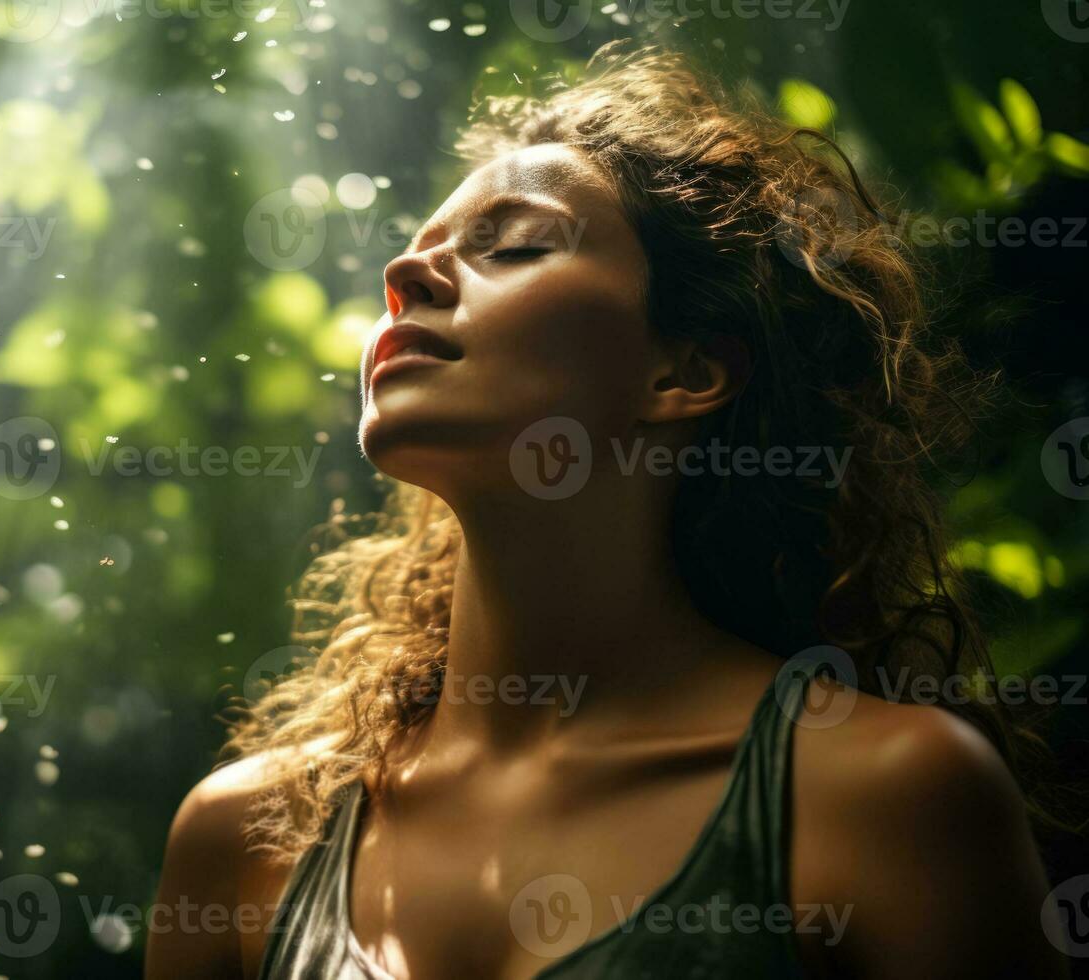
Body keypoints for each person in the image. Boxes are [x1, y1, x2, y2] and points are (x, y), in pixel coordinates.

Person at [146, 42, 1069, 979]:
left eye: (512, 245)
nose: (406, 276)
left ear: (686, 372)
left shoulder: (883, 795)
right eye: (413, 255)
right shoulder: (246, 836)